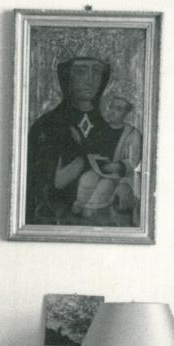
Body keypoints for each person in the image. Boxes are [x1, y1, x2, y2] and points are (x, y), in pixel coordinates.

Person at [25, 56, 114, 224]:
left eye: (96, 72)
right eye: (80, 71)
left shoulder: (110, 127)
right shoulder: (48, 125)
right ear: (67, 77)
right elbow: (38, 185)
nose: (90, 80)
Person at [71, 95, 142, 221]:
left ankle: (90, 211)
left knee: (105, 185)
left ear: (126, 113)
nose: (112, 111)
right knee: (86, 178)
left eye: (118, 109)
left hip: (120, 176)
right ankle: (81, 205)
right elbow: (92, 148)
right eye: (111, 107)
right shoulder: (101, 129)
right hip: (100, 170)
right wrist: (80, 141)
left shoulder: (133, 134)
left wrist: (118, 166)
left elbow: (134, 162)